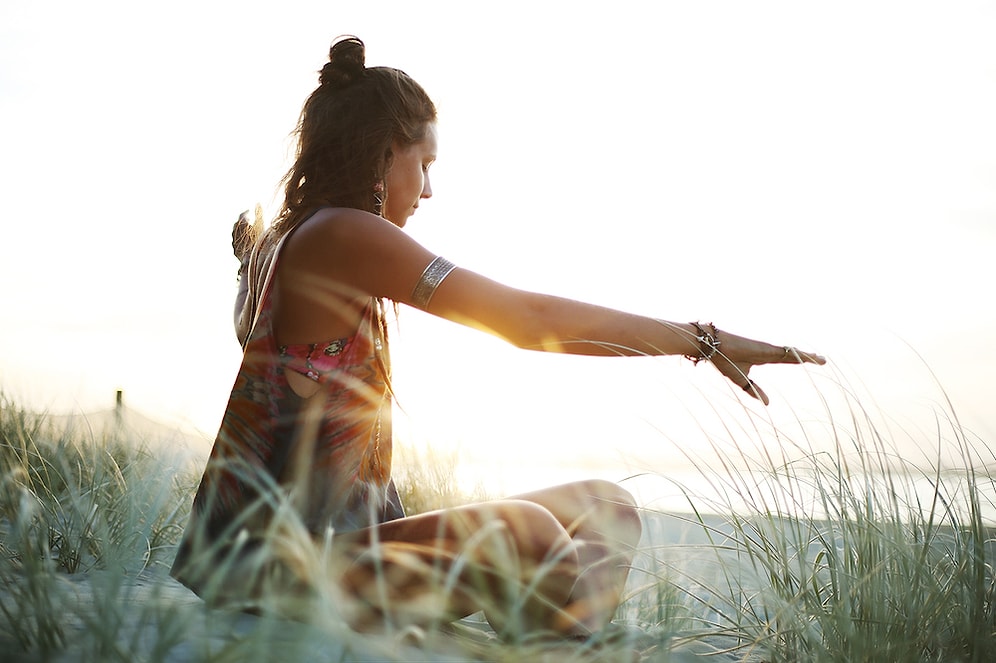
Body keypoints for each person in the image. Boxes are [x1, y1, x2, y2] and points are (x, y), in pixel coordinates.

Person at [171, 36, 825, 642]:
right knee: (529, 535)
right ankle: (563, 635)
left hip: (345, 551)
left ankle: (557, 636)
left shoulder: (289, 245)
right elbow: (521, 317)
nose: (429, 188)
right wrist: (699, 340)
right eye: (423, 163)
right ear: (381, 154)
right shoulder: (342, 234)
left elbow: (251, 322)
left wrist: (247, 253)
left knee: (609, 506)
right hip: (277, 574)